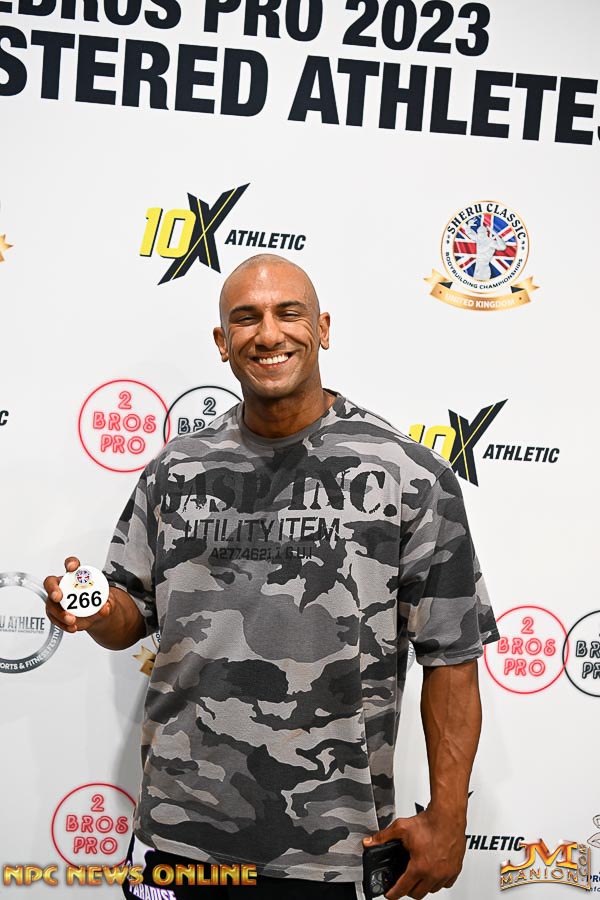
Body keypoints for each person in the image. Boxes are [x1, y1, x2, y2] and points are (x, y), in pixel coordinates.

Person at [45, 254, 499, 900]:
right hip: (180, 838)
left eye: (289, 313)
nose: (268, 333)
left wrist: (449, 816)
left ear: (323, 328)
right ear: (222, 341)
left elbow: (452, 656)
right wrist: (94, 611)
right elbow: (129, 614)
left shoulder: (408, 475)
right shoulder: (176, 471)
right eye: (245, 318)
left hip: (335, 853)